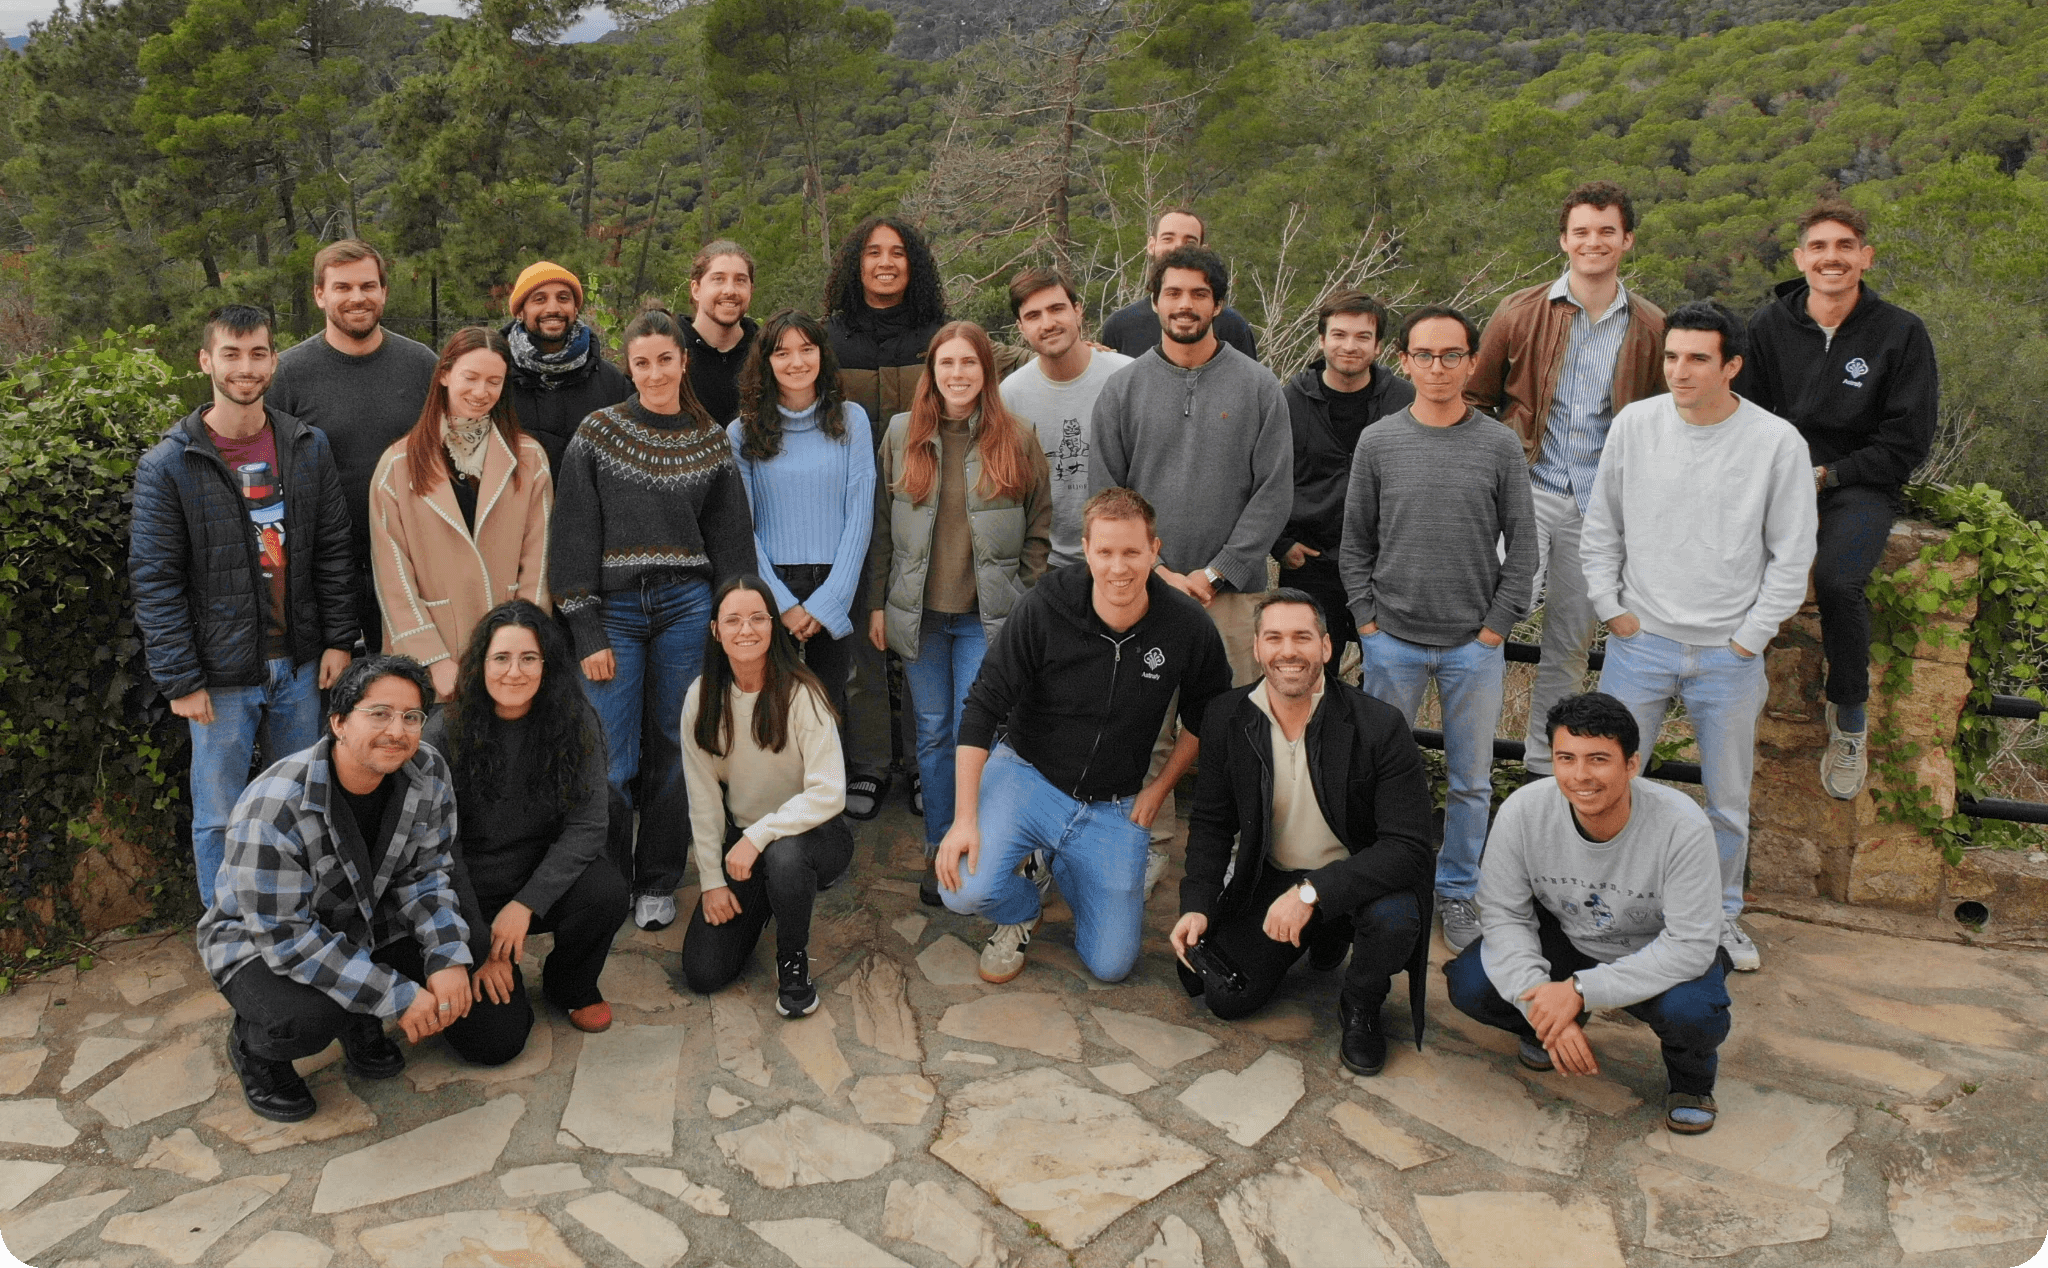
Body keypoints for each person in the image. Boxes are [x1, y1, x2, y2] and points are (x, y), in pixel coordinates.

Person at [1584, 300, 1818, 973]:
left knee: (1728, 801)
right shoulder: (1636, 425)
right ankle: (1610, 911)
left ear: (1732, 366)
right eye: (1671, 357)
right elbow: (1602, 526)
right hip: (1640, 643)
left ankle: (1719, 919)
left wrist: (1748, 638)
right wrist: (1613, 610)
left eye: (1696, 359)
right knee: (1608, 785)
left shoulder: (1777, 443)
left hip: (1727, 656)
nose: (1679, 372)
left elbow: (1792, 553)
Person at [939, 488, 1231, 984]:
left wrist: (1158, 791)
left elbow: (1211, 716)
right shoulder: (1045, 606)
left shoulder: (1187, 625)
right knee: (963, 891)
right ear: (1086, 548)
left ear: (1155, 551)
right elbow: (981, 706)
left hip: (1114, 802)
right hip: (1027, 776)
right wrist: (964, 819)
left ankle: (1060, 862)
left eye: (1132, 552)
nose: (1119, 567)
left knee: (1112, 965)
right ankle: (1022, 907)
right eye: (1106, 552)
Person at [130, 305, 357, 906]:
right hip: (220, 674)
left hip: (302, 662)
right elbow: (157, 581)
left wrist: (338, 639)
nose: (245, 367)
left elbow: (334, 550)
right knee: (219, 814)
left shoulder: (306, 446)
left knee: (301, 804)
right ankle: (227, 929)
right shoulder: (169, 464)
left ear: (274, 360)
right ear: (206, 361)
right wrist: (180, 678)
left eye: (257, 353)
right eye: (230, 354)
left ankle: (294, 917)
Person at [551, 306, 757, 932]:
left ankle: (657, 879)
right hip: (613, 610)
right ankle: (607, 880)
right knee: (610, 755)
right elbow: (572, 538)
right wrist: (583, 626)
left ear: (683, 361)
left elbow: (730, 542)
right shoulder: (597, 434)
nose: (654, 372)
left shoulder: (708, 439)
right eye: (641, 362)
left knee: (675, 745)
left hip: (687, 608)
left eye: (665, 359)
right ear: (629, 367)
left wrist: (731, 613)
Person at [1171, 590, 1434, 1077]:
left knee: (1396, 918)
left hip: (1354, 877)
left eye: (1301, 637)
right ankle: (1320, 934)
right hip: (1275, 875)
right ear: (1256, 648)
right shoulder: (1228, 715)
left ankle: (1360, 1003)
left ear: (1326, 648)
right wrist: (1198, 904)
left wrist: (1313, 893)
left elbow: (1409, 847)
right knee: (1223, 995)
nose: (1287, 651)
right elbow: (1210, 822)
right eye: (1274, 637)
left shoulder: (1379, 726)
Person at [1340, 304, 1537, 954]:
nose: (1437, 366)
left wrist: (1494, 630)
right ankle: (1376, 882)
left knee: (1472, 780)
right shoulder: (1380, 441)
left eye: (1452, 354)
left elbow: (1525, 550)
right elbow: (1355, 545)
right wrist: (1367, 623)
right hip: (1390, 639)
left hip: (1471, 647)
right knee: (1376, 772)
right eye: (1424, 354)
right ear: (1403, 361)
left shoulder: (1499, 444)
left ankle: (1456, 894)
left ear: (1472, 362)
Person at [200, 655, 473, 1123]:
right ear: (338, 722)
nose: (398, 730)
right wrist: (396, 994)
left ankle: (357, 1014)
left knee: (469, 947)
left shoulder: (427, 769)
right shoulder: (275, 805)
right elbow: (289, 940)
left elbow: (426, 873)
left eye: (411, 717)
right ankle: (255, 1049)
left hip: (363, 919)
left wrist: (447, 955)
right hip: (261, 942)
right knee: (306, 1020)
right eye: (379, 713)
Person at [1092, 243, 1292, 881]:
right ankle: (1149, 844)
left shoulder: (1260, 387)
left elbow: (1275, 491)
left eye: (1198, 294)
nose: (1185, 305)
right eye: (1173, 293)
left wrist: (1215, 571)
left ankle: (1236, 849)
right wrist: (1157, 572)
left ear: (1218, 304)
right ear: (1154, 302)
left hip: (1231, 598)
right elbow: (1106, 495)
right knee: (1147, 724)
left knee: (1235, 724)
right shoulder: (1122, 390)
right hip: (1145, 593)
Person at [1445, 692, 1732, 1136]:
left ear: (1631, 764)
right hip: (1567, 938)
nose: (1580, 776)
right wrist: (1539, 998)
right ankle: (1552, 1023)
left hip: (1652, 949)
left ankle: (1691, 1083)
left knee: (1694, 1012)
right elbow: (1504, 915)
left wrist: (1581, 990)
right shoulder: (1524, 811)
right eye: (1566, 758)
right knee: (1470, 984)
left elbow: (1691, 945)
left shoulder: (1681, 825)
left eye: (1598, 759)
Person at [1735, 200, 1938, 801]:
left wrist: (1827, 475)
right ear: (1800, 258)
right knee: (1727, 562)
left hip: (1859, 486)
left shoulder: (1901, 332)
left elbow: (1907, 440)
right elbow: (1741, 414)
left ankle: (1848, 717)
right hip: (1776, 480)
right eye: (1819, 247)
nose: (1832, 257)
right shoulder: (1767, 328)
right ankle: (1720, 696)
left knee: (1840, 581)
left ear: (1865, 257)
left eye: (1845, 246)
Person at [1466, 182, 1668, 775]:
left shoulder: (1652, 328)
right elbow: (1476, 400)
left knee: (1569, 649)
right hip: (1527, 490)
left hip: (1601, 506)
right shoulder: (1519, 311)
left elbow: (1661, 421)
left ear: (1627, 240)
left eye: (1607, 230)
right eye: (1581, 231)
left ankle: (1540, 773)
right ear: (1564, 240)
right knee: (1488, 627)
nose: (1593, 241)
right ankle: (1470, 764)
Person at [868, 321, 1052, 901]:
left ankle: (977, 844)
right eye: (946, 364)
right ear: (932, 373)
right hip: (921, 614)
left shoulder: (1016, 436)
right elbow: (879, 531)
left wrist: (1020, 596)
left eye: (968, 364)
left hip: (983, 618)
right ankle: (936, 848)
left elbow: (1040, 527)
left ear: (985, 372)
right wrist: (878, 603)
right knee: (931, 732)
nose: (957, 374)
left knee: (979, 733)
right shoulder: (902, 434)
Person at [422, 602, 626, 1063]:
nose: (514, 671)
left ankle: (569, 983)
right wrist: (481, 948)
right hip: (467, 893)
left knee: (606, 889)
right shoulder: (443, 734)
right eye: (501, 658)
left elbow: (588, 825)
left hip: (535, 883)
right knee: (496, 1042)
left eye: (529, 658)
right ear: (480, 664)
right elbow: (441, 853)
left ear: (547, 664)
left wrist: (526, 904)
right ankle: (454, 975)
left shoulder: (576, 722)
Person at [680, 577, 853, 1018]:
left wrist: (761, 834)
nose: (746, 629)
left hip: (815, 834)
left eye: (758, 618)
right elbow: (702, 797)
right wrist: (712, 882)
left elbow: (829, 792)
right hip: (747, 843)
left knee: (786, 857)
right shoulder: (702, 698)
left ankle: (792, 960)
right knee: (704, 971)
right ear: (715, 631)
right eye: (733, 620)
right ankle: (778, 897)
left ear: (774, 626)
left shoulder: (803, 694)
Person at [826, 214, 949, 820]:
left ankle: (931, 769)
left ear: (914, 263)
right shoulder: (830, 339)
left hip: (925, 506)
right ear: (856, 263)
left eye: (898, 252)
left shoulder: (938, 335)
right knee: (861, 643)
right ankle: (870, 765)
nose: (885, 262)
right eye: (873, 252)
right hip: (850, 511)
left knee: (925, 637)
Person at [269, 239, 439, 649]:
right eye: (343, 287)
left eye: (368, 286)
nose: (357, 298)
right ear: (319, 295)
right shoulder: (287, 374)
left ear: (383, 291)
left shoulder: (422, 366)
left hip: (413, 564)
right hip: (325, 574)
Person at [370, 327, 553, 703]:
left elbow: (539, 565)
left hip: (508, 666)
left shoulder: (529, 459)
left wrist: (520, 653)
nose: (481, 391)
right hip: (429, 665)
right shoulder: (399, 465)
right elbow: (393, 580)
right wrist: (434, 661)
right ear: (445, 375)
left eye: (494, 381)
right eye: (470, 377)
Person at [729, 309, 875, 755]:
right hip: (772, 590)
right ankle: (778, 811)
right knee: (775, 704)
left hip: (837, 584)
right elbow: (742, 527)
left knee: (830, 705)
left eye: (806, 350)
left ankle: (827, 814)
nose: (796, 362)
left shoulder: (852, 421)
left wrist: (830, 600)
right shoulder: (742, 432)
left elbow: (860, 513)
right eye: (782, 352)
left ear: (821, 356)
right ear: (766, 362)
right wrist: (783, 604)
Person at [1271, 290, 1415, 664]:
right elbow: (1263, 478)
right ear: (1321, 340)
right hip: (1311, 566)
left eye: (1362, 337)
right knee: (1309, 673)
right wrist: (1280, 542)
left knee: (1387, 679)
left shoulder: (1406, 402)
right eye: (1339, 334)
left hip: (1386, 568)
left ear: (1378, 346)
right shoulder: (1289, 401)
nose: (1349, 346)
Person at [998, 265, 1134, 569]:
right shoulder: (1011, 396)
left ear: (1077, 311)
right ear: (1020, 327)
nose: (1048, 323)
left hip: (1123, 559)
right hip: (1045, 566)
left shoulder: (1126, 376)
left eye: (1057, 309)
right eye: (1033, 316)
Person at [499, 260, 632, 476]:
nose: (553, 308)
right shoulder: (497, 376)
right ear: (520, 312)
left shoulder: (610, 383)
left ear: (575, 308)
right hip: (516, 508)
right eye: (539, 299)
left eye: (563, 298)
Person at [1098, 208, 1259, 360]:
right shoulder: (1120, 325)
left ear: (1202, 249)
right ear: (1151, 245)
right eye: (1168, 238)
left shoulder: (1232, 325)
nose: (1177, 247)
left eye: (1189, 242)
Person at [684, 240, 760, 427]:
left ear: (751, 290)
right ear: (696, 289)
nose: (730, 290)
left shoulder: (767, 352)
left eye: (740, 280)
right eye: (718, 279)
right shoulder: (670, 351)